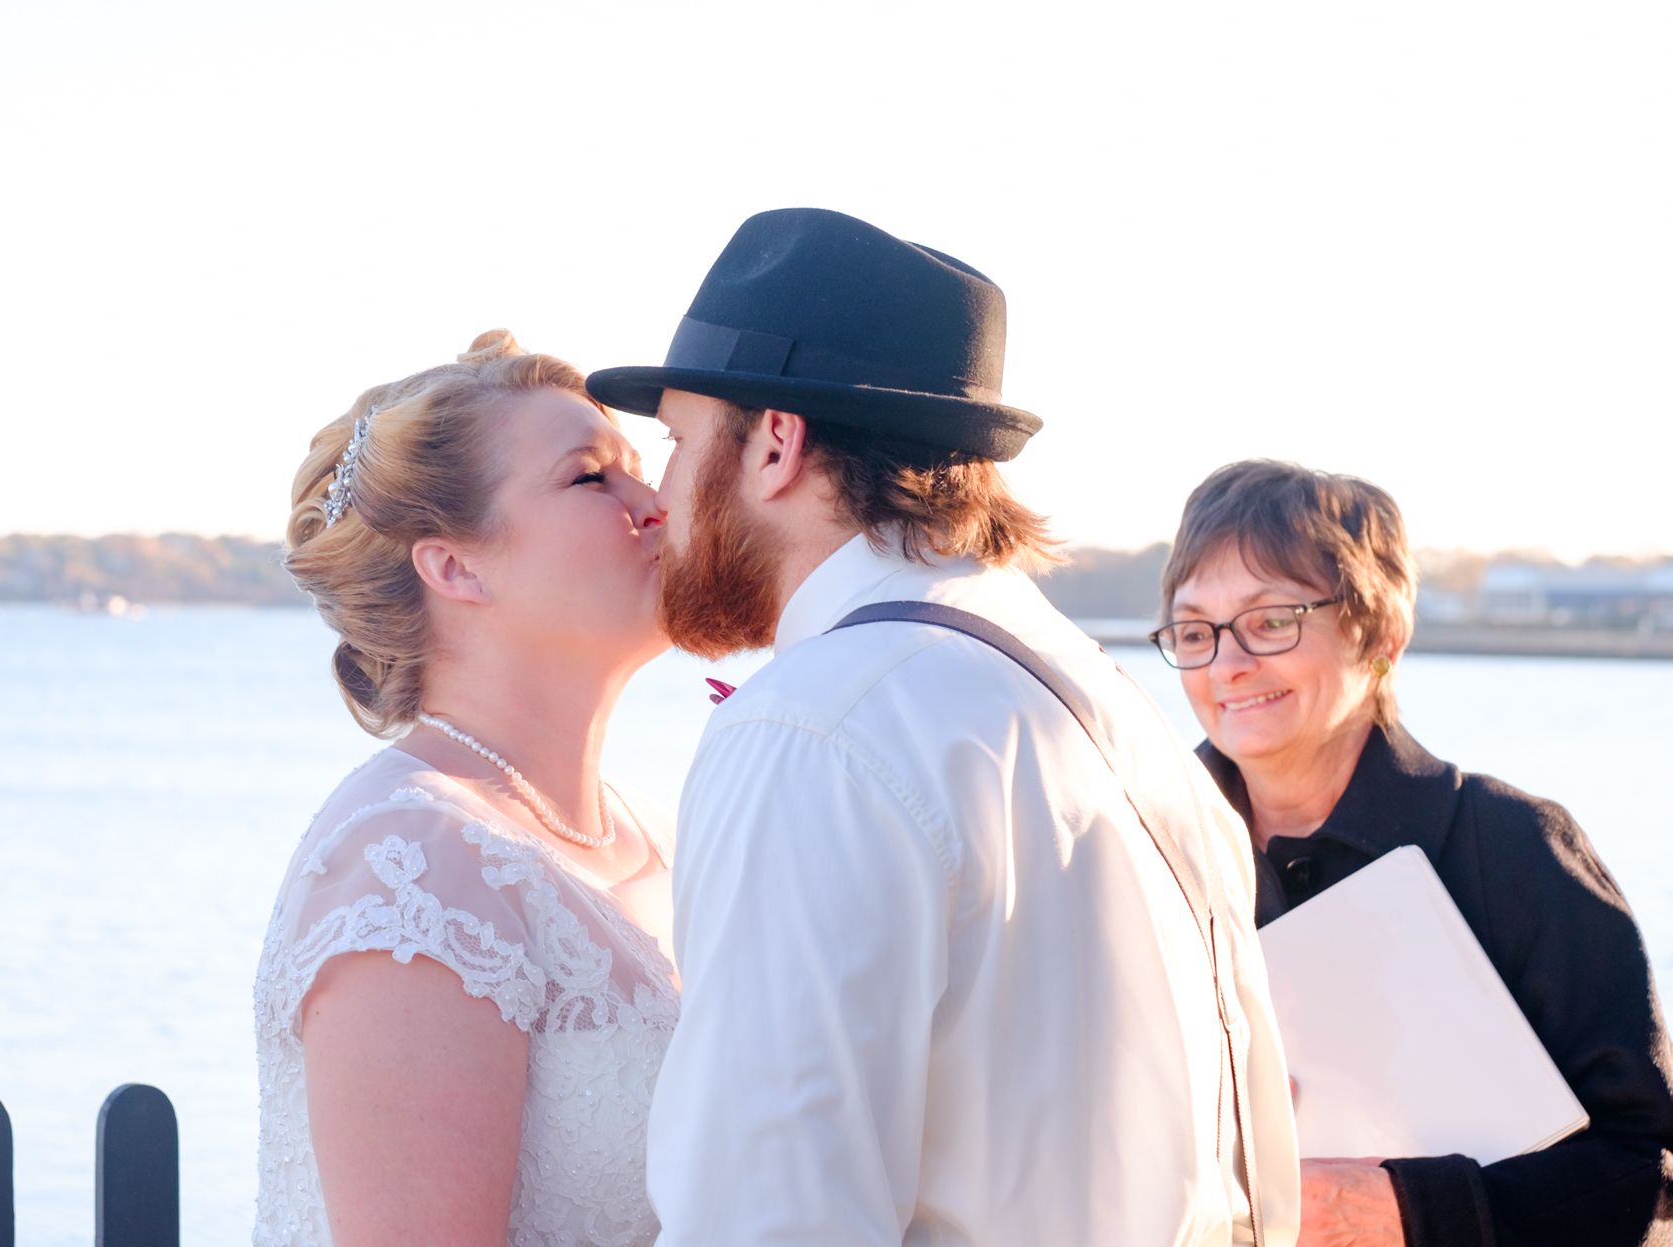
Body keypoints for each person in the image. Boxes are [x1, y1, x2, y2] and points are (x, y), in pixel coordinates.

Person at [586, 208, 1302, 1246]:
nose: (657, 494)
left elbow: (769, 1209)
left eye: (676, 441)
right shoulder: (1114, 707)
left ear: (775, 443)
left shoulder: (815, 728)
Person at [1154, 458, 1673, 1247]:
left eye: (1271, 621)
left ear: (1380, 635)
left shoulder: (1513, 848)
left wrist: (1417, 1210)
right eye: (1196, 631)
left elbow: (1648, 1169)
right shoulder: (1142, 852)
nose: (1228, 663)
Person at [253, 331, 679, 1247]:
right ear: (455, 566)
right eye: (591, 478)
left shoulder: (662, 830)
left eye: (641, 471)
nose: (656, 504)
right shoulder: (411, 865)